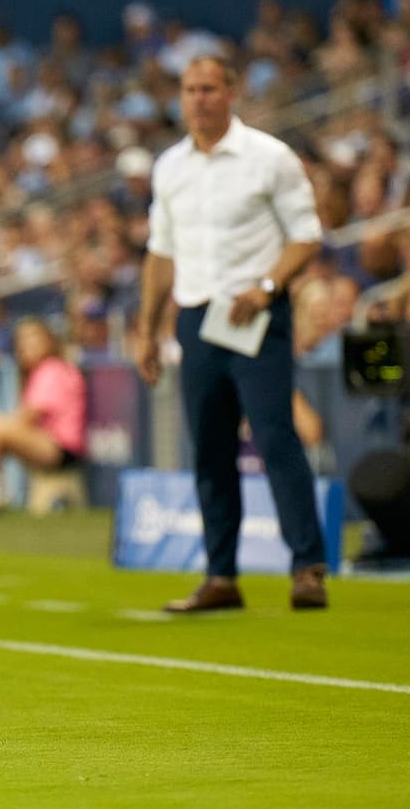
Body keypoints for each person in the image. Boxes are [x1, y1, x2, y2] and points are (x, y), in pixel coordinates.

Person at [135, 54, 329, 613]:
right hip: (197, 319)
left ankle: (307, 567)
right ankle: (221, 576)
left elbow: (307, 236)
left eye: (209, 88)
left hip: (257, 314)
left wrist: (267, 287)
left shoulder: (270, 158)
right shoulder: (170, 166)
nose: (199, 98)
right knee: (210, 449)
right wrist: (148, 331)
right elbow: (160, 254)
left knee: (275, 439)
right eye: (190, 89)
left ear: (232, 91)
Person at [0, 318, 87, 511]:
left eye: (34, 339)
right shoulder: (38, 371)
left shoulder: (52, 369)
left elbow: (27, 417)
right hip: (48, 444)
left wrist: (0, 435)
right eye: (23, 341)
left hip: (61, 450)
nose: (27, 346)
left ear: (49, 340)